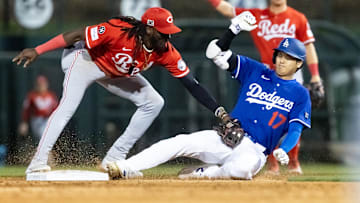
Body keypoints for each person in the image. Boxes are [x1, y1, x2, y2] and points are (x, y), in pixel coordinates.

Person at [12, 7, 230, 174]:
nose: (167, 38)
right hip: (84, 60)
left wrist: (219, 110)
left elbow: (192, 84)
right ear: (149, 28)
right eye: (163, 33)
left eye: (170, 33)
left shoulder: (166, 52)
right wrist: (37, 50)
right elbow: (75, 35)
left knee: (154, 102)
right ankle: (37, 162)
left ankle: (114, 160)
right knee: (68, 106)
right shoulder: (119, 31)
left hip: (114, 72)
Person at [105, 12, 312, 180]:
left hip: (255, 151)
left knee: (239, 171)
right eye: (280, 55)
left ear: (299, 63)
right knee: (178, 142)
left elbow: (295, 129)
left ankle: (204, 174)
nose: (282, 60)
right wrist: (233, 30)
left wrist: (284, 149)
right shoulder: (256, 70)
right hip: (226, 137)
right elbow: (215, 54)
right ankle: (125, 167)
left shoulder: (300, 94)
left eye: (289, 58)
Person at [207, 0, 324, 174]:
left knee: (293, 120)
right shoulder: (257, 15)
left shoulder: (297, 18)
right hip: (266, 75)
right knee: (266, 120)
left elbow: (308, 46)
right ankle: (273, 164)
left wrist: (315, 75)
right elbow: (227, 9)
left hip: (292, 76)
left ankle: (293, 161)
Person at [18, 75, 58, 144]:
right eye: (39, 84)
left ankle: (45, 153)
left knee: (45, 139)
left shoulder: (51, 96)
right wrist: (24, 123)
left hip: (49, 120)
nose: (41, 86)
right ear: (36, 85)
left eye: (43, 84)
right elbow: (26, 110)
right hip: (37, 120)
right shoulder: (32, 96)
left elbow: (56, 110)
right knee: (42, 138)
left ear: (46, 84)